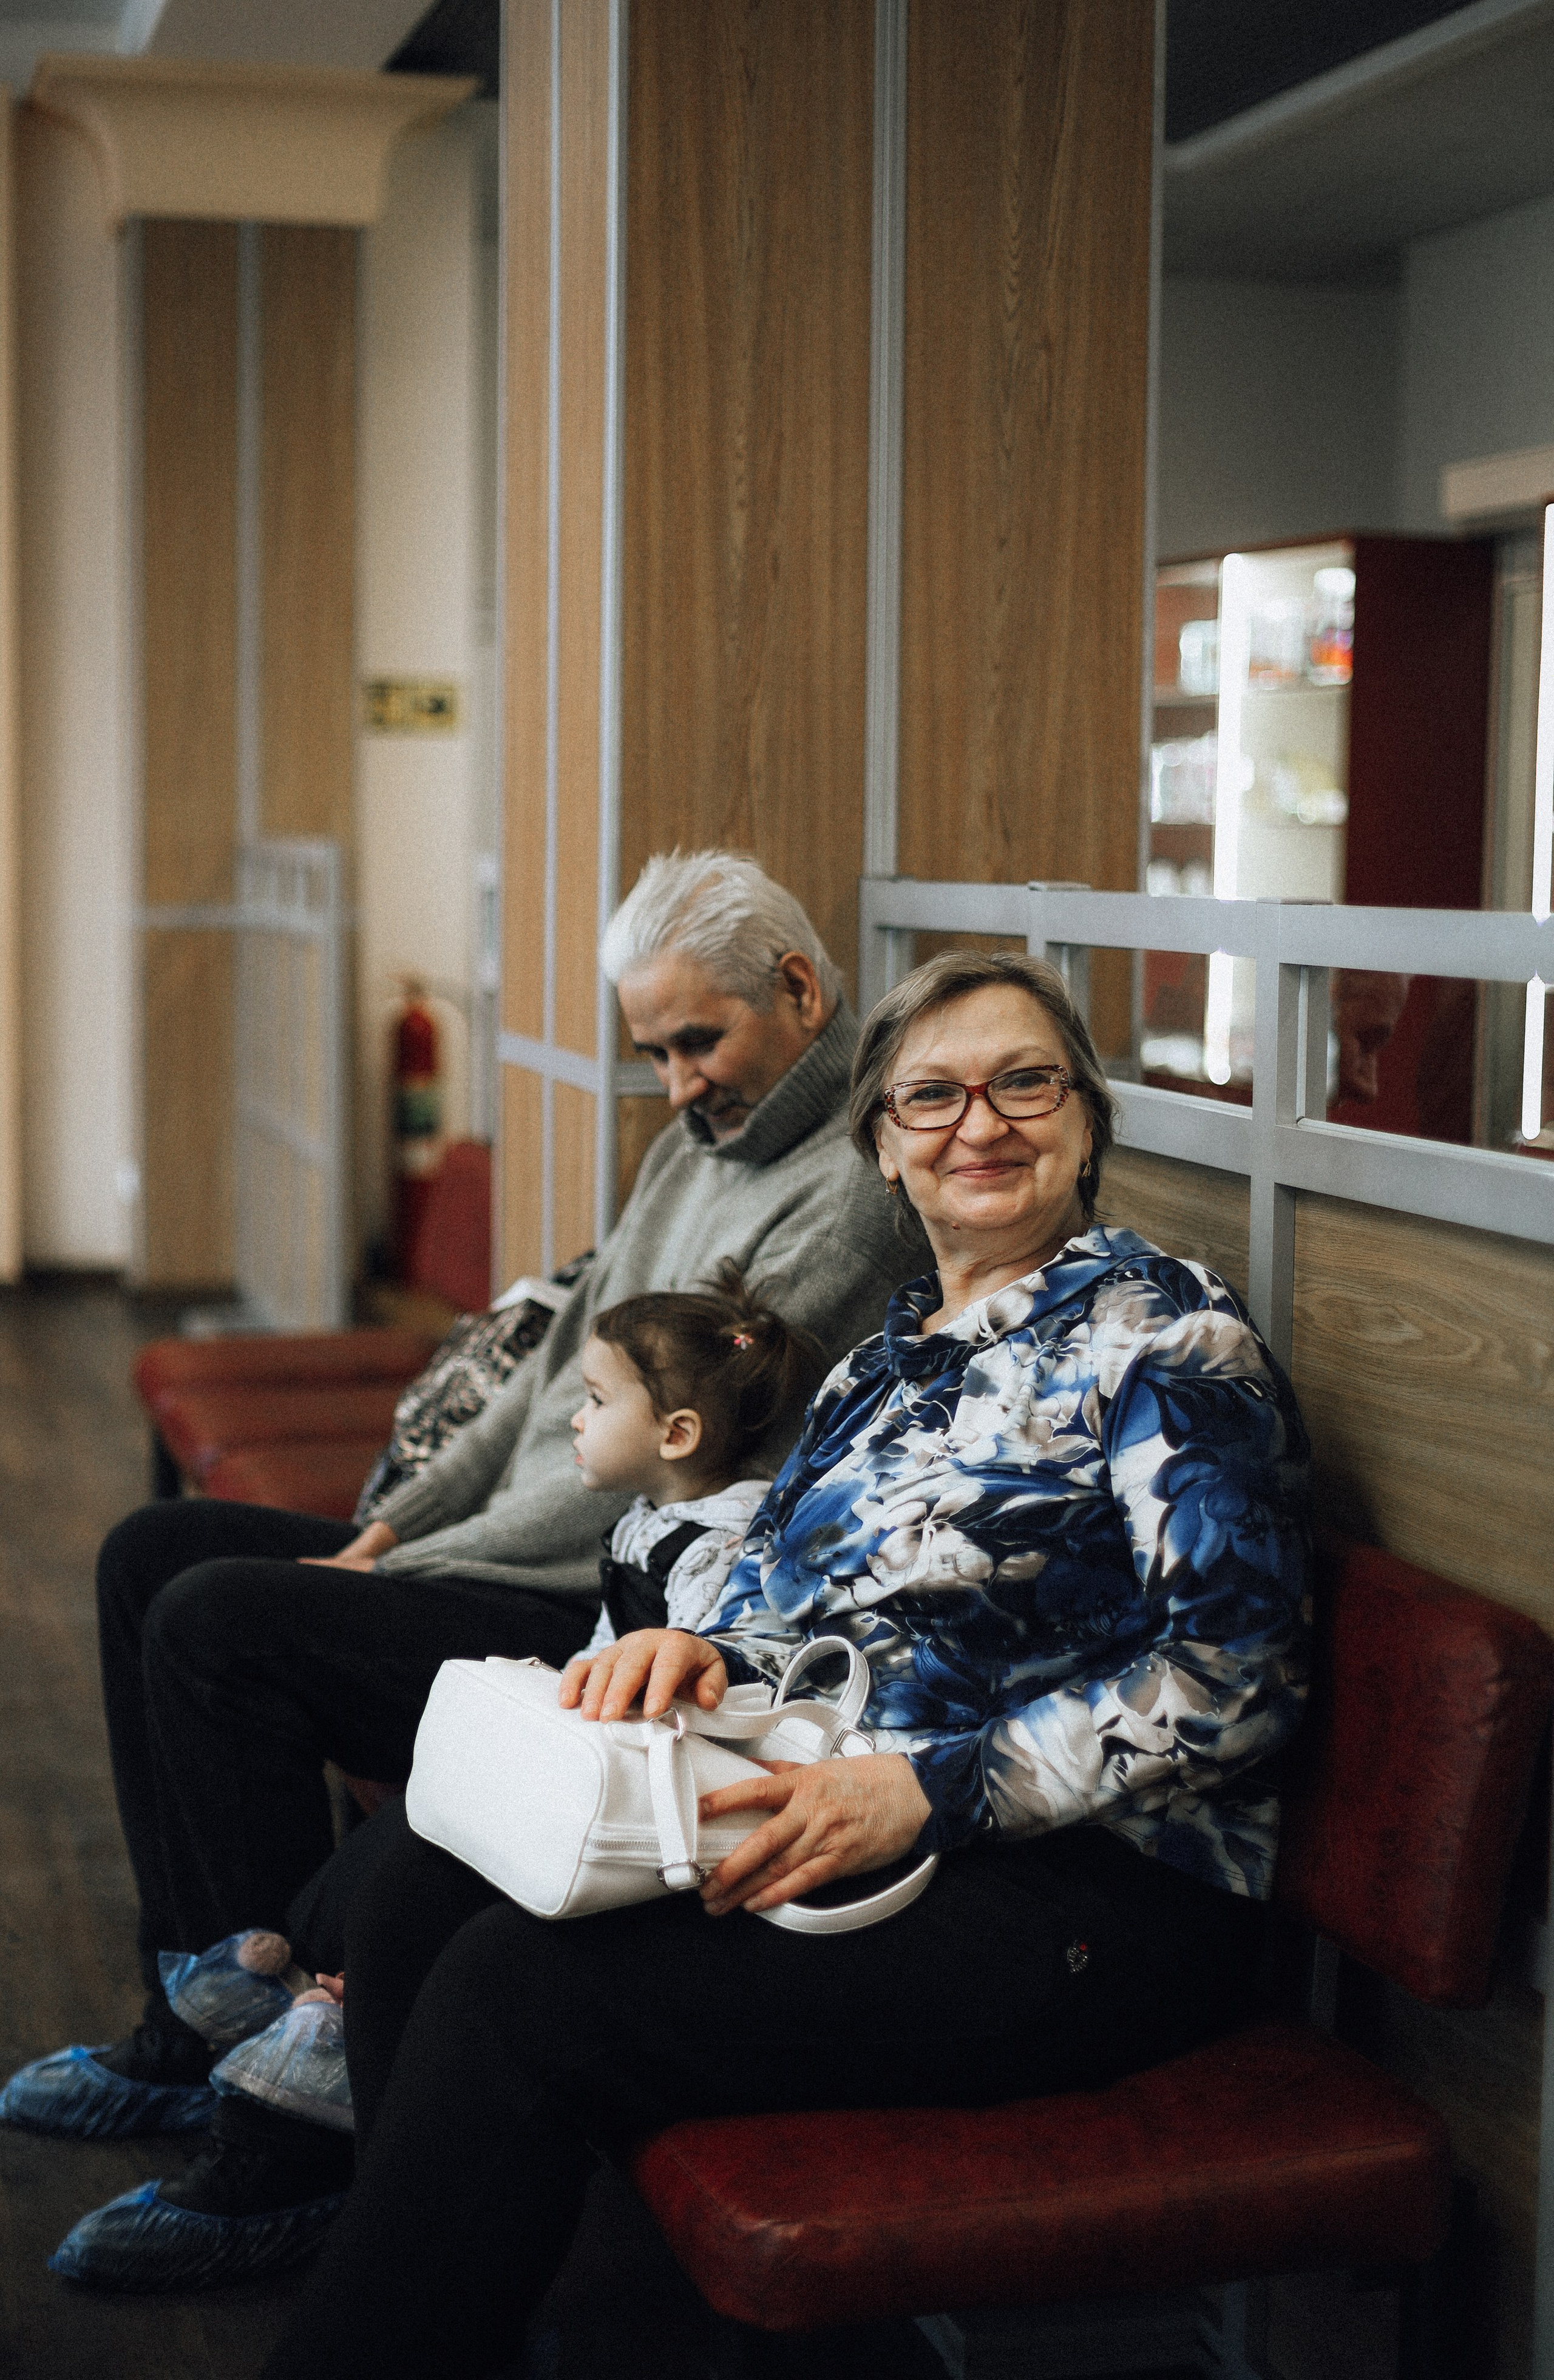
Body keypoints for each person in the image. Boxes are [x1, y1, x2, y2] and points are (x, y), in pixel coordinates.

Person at [253, 946, 1311, 2380]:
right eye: (929, 1096)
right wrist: (696, 1643)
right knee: (418, 1878)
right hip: (836, 1819)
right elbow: (775, 1576)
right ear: (880, 1144)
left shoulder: (1164, 1342)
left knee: (523, 1991)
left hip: (1094, 1894)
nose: (977, 1125)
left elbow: (1232, 1675)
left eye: (1022, 1081)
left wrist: (931, 1788)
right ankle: (470, 2302)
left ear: (1084, 1117)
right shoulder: (884, 1359)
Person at [2, 854, 920, 2174]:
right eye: (653, 1051)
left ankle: (271, 2101)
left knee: (219, 1623)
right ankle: (194, 2022)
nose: (675, 1084)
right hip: (481, 1547)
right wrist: (398, 1519)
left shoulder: (847, 1195)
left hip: (589, 1602)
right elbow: (556, 1380)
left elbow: (661, 1473)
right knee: (151, 1552)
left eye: (697, 1042)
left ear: (796, 986)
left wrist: (414, 1557)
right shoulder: (690, 1147)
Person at [44, 1268, 824, 2289]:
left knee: (390, 1875)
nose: (574, 1423)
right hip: (575, 1731)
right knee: (368, 1853)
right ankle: (251, 2042)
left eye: (594, 1404)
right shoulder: (642, 1517)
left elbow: (688, 1690)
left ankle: (306, 2137)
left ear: (677, 1433)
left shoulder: (721, 1543)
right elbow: (599, 1645)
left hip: (632, 1794)